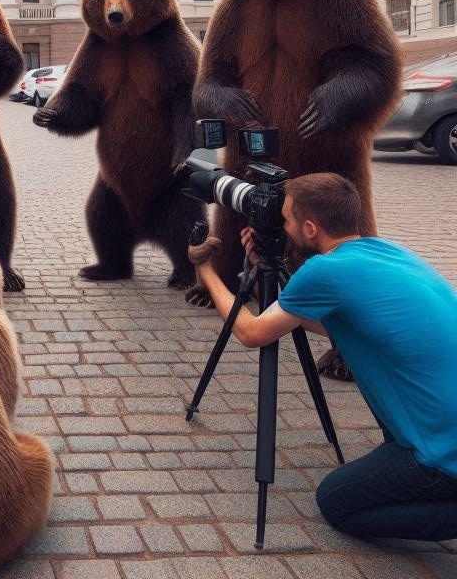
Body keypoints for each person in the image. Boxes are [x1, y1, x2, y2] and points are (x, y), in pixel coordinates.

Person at [192, 171, 457, 541]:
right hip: (443, 423)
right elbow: (341, 326)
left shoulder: (324, 271)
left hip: (443, 456)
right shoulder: (387, 252)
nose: (280, 227)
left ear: (311, 229)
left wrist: (206, 271)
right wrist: (260, 266)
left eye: (285, 220)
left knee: (334, 501)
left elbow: (250, 332)